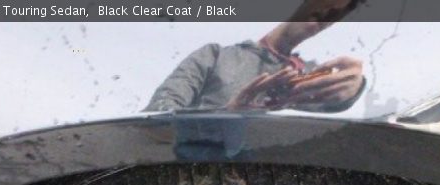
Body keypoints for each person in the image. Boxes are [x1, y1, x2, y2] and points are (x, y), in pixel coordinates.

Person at [145, 0, 366, 113]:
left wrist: (353, 91)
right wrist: (223, 119)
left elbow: (335, 125)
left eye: (340, 13)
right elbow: (156, 116)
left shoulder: (314, 77)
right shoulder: (214, 56)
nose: (331, 14)